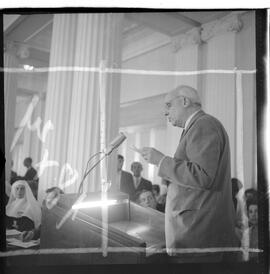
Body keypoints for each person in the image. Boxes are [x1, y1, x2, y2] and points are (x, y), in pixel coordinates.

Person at [140, 85, 237, 258]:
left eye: (169, 105)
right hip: (199, 230)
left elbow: (203, 176)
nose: (165, 112)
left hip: (200, 233)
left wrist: (161, 161)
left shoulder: (203, 124)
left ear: (185, 101)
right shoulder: (198, 126)